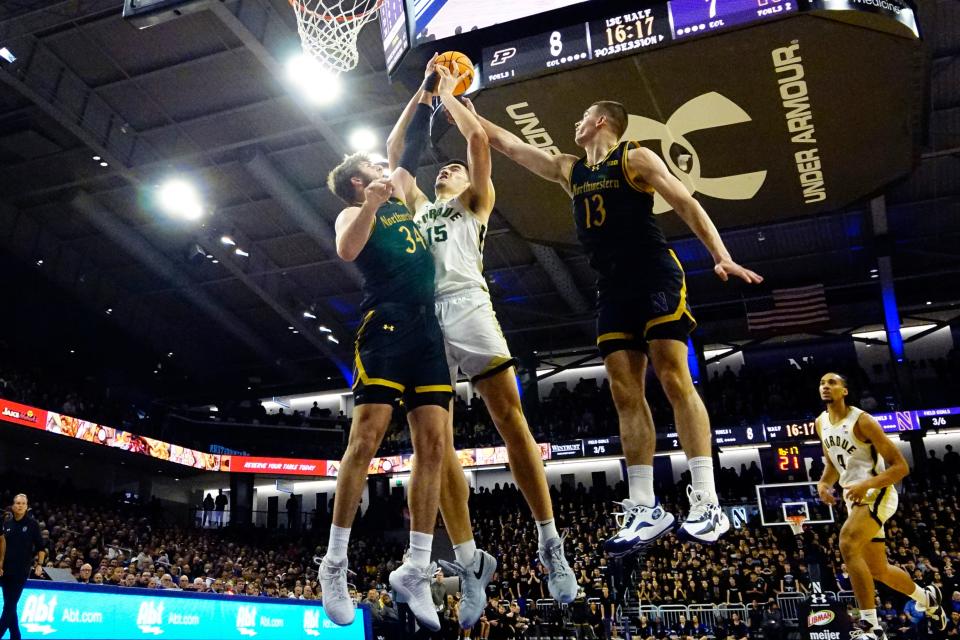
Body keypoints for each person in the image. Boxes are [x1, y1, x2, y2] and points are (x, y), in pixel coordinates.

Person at [465, 98, 762, 549]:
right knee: (625, 391)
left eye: (582, 115)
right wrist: (456, 105)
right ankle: (645, 506)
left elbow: (685, 202)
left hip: (654, 274)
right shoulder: (570, 169)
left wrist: (721, 256)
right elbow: (504, 143)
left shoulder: (635, 158)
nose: (576, 121)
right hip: (612, 288)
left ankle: (706, 500)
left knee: (673, 376)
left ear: (601, 121)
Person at [385, 61, 577, 621]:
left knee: (509, 420)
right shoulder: (418, 207)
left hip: (468, 305)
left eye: (454, 169)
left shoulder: (475, 204)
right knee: (435, 447)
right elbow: (397, 153)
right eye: (442, 169)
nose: (446, 169)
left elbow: (474, 138)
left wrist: (449, 95)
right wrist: (423, 93)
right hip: (426, 321)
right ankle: (470, 565)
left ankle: (551, 544)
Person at [318, 58, 462, 633]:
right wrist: (371, 203)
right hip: (385, 325)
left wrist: (428, 93)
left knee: (435, 445)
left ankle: (418, 566)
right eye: (372, 168)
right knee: (368, 438)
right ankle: (334, 561)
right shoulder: (357, 209)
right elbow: (347, 253)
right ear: (358, 180)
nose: (383, 166)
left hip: (429, 327)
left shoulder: (402, 190)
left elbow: (396, 143)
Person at [815, 372, 947, 639]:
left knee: (847, 543)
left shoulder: (863, 421)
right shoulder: (820, 423)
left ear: (845, 390)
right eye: (822, 383)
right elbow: (833, 464)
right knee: (878, 570)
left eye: (832, 383)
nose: (826, 387)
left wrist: (867, 484)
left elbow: (901, 467)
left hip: (879, 493)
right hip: (856, 500)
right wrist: (823, 484)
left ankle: (871, 627)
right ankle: (927, 597)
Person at [0, 494, 46, 640]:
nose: (20, 506)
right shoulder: (6, 524)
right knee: (9, 606)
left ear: (27, 506)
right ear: (13, 506)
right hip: (5, 570)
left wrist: (39, 565)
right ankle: (16, 636)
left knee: (9, 606)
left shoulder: (32, 524)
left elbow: (41, 547)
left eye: (23, 503)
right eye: (17, 503)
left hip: (20, 571)